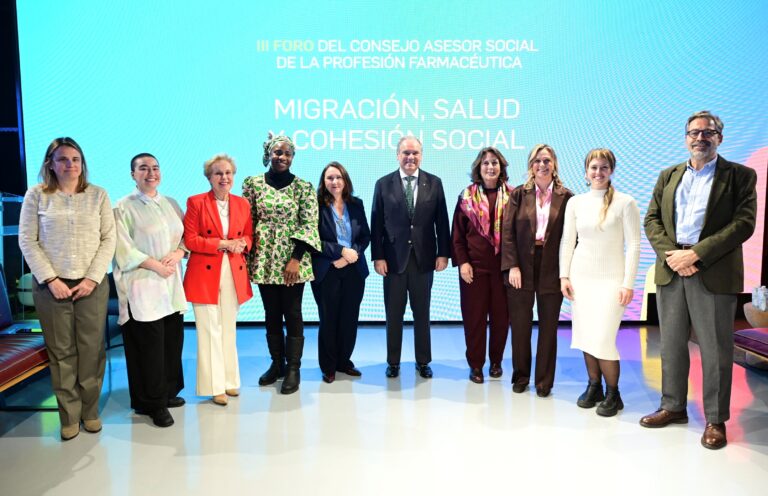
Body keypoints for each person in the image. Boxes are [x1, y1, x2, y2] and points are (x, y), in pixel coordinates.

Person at [641, 111, 757, 449]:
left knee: (716, 349)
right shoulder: (668, 175)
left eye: (708, 132)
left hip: (713, 270)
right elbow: (651, 220)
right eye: (694, 132)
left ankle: (716, 420)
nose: (700, 138)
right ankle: (673, 406)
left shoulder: (739, 175)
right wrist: (671, 255)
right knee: (672, 344)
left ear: (720, 137)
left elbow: (744, 223)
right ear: (685, 137)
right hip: (672, 268)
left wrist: (697, 254)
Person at [18, 137, 116, 441]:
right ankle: (69, 415)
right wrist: (50, 279)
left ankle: (90, 411)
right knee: (61, 352)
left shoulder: (98, 195)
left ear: (82, 163)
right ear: (50, 163)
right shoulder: (36, 196)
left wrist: (91, 278)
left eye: (75, 159)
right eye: (62, 159)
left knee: (91, 349)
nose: (70, 165)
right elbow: (27, 241)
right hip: (51, 286)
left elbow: (108, 239)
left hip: (92, 284)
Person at [559, 148, 640, 417]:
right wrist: (564, 275)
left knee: (604, 338)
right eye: (593, 167)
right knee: (585, 336)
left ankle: (613, 393)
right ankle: (594, 386)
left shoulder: (625, 202)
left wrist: (628, 283)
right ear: (586, 171)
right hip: (581, 279)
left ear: (611, 170)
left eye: (604, 167)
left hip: (611, 282)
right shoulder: (576, 202)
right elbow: (568, 241)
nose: (598, 172)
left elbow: (635, 245)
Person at [113, 153, 187, 427]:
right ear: (133, 174)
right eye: (143, 168)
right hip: (142, 286)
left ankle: (168, 393)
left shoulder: (171, 203)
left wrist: (180, 252)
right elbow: (123, 249)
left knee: (171, 342)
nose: (150, 173)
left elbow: (184, 238)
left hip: (171, 285)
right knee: (149, 348)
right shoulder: (123, 207)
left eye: (155, 168)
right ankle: (152, 403)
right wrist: (155, 265)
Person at [243, 134, 320, 395]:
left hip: (292, 261)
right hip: (264, 258)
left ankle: (293, 368)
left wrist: (295, 259)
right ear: (268, 154)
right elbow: (247, 221)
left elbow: (309, 224)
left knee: (293, 312)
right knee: (271, 313)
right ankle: (277, 363)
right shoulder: (252, 184)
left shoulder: (303, 187)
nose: (282, 157)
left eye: (287, 153)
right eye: (277, 152)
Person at [371, 136, 451, 379]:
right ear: (397, 155)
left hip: (424, 260)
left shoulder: (434, 183)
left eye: (415, 153)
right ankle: (393, 362)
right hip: (393, 261)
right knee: (393, 315)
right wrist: (378, 256)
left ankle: (423, 361)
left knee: (422, 314)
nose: (410, 157)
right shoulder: (383, 184)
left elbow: (442, 221)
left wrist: (443, 253)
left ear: (421, 155)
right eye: (406, 153)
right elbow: (376, 224)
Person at [501, 144, 573, 396]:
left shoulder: (567, 197)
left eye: (547, 160)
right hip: (521, 265)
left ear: (554, 164)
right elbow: (507, 233)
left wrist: (567, 272)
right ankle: (521, 377)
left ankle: (544, 382)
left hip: (552, 267)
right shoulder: (519, 195)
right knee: (520, 325)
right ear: (530, 166)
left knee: (548, 327)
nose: (542, 165)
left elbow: (572, 237)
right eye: (537, 161)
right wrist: (512, 266)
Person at [183, 154, 253, 406]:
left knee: (228, 328)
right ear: (209, 178)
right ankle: (214, 386)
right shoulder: (196, 202)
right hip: (204, 273)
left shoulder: (242, 203)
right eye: (218, 173)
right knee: (208, 330)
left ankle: (230, 380)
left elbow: (248, 235)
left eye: (228, 173)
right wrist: (223, 243)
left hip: (233, 271)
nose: (224, 178)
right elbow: (190, 240)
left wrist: (243, 243)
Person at [451, 147, 512, 384]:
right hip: (473, 271)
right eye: (486, 163)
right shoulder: (465, 197)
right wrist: (463, 263)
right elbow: (457, 236)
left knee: (501, 319)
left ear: (501, 167)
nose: (490, 167)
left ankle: (496, 362)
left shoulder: (513, 196)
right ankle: (475, 365)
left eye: (495, 163)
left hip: (503, 270)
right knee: (474, 320)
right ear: (479, 167)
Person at [311, 161, 371, 384]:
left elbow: (365, 235)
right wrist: (340, 252)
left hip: (354, 269)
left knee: (349, 318)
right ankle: (328, 366)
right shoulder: (315, 205)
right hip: (327, 269)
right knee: (329, 318)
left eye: (338, 177)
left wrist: (351, 254)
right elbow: (314, 240)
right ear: (323, 182)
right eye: (330, 178)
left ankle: (344, 361)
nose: (334, 182)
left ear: (345, 180)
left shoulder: (356, 204)